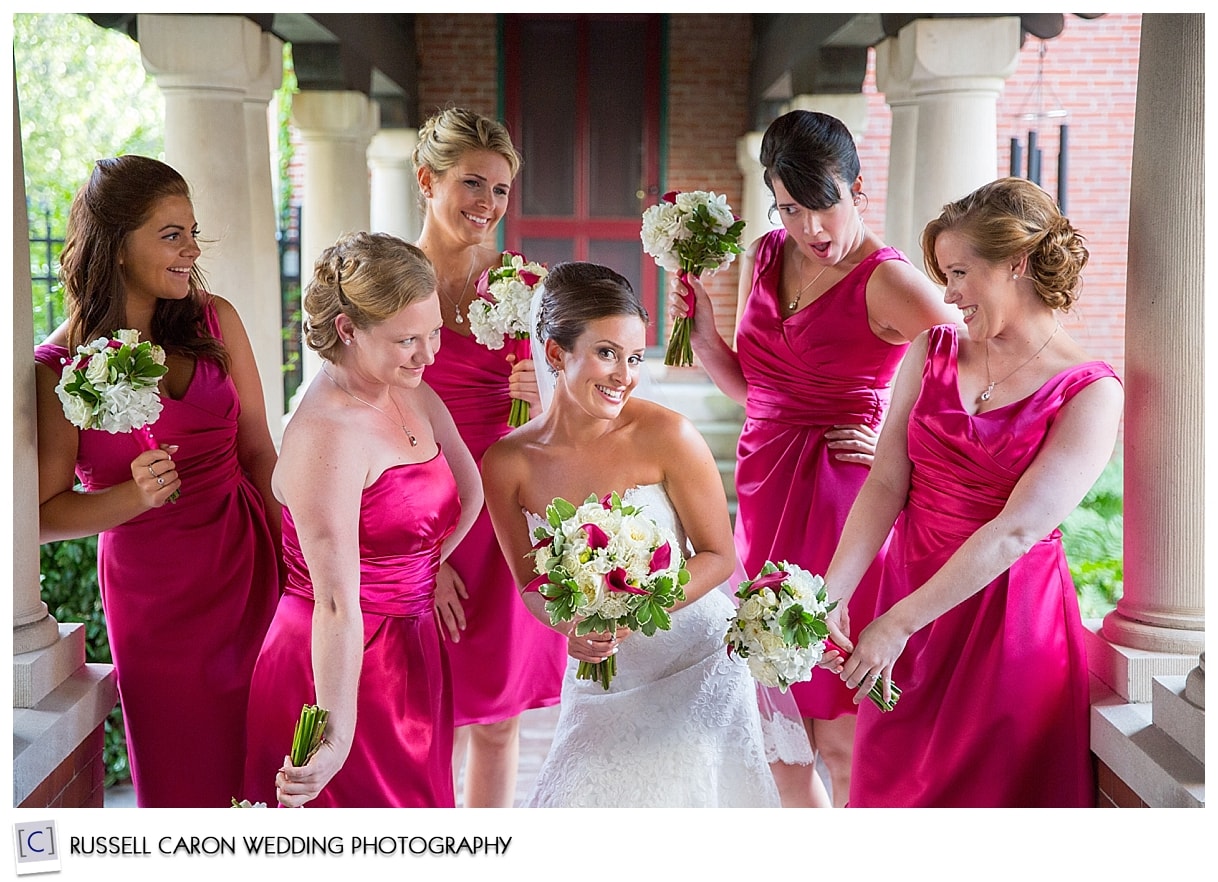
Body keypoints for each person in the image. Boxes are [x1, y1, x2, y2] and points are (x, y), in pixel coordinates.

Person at [669, 110, 956, 806]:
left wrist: (901, 442)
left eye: (824, 204)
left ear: (858, 187)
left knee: (837, 722)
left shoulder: (889, 282)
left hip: (840, 497)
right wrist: (706, 340)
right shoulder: (767, 253)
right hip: (764, 491)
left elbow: (969, 375)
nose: (811, 230)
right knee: (776, 722)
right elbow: (758, 391)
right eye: (791, 209)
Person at [821, 177, 1123, 807]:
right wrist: (833, 594)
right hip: (906, 607)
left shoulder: (1091, 392)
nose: (948, 294)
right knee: (886, 796)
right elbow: (885, 481)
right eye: (944, 274)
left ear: (1016, 262)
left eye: (959, 272)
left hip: (1006, 625)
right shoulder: (932, 350)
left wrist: (895, 625)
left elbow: (1017, 530)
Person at [482, 261, 780, 808]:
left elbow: (718, 553)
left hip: (695, 663)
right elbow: (530, 582)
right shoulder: (507, 463)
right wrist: (571, 629)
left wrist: (635, 600)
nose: (625, 374)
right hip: (603, 677)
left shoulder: (668, 435)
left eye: (635, 356)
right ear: (554, 353)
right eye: (606, 353)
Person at [34, 155, 281, 807]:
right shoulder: (56, 368)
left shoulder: (216, 320)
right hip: (158, 604)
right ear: (116, 247)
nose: (192, 250)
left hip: (251, 564)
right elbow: (36, 517)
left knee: (276, 765)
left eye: (192, 232)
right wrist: (126, 498)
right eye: (172, 234)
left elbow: (260, 453)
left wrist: (300, 565)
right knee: (188, 780)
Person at [241, 232, 482, 808]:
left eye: (435, 334)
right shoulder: (327, 436)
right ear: (348, 330)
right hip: (337, 667)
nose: (429, 355)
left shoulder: (410, 389)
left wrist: (417, 573)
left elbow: (470, 492)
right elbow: (334, 603)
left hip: (412, 644)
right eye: (407, 340)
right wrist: (336, 732)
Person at [412, 106, 565, 807]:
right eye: (473, 184)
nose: (488, 205)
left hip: (502, 521)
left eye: (501, 190)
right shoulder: (385, 282)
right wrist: (422, 557)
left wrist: (542, 401)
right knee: (421, 719)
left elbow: (570, 425)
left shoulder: (524, 288)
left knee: (498, 723)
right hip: (412, 520)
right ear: (426, 179)